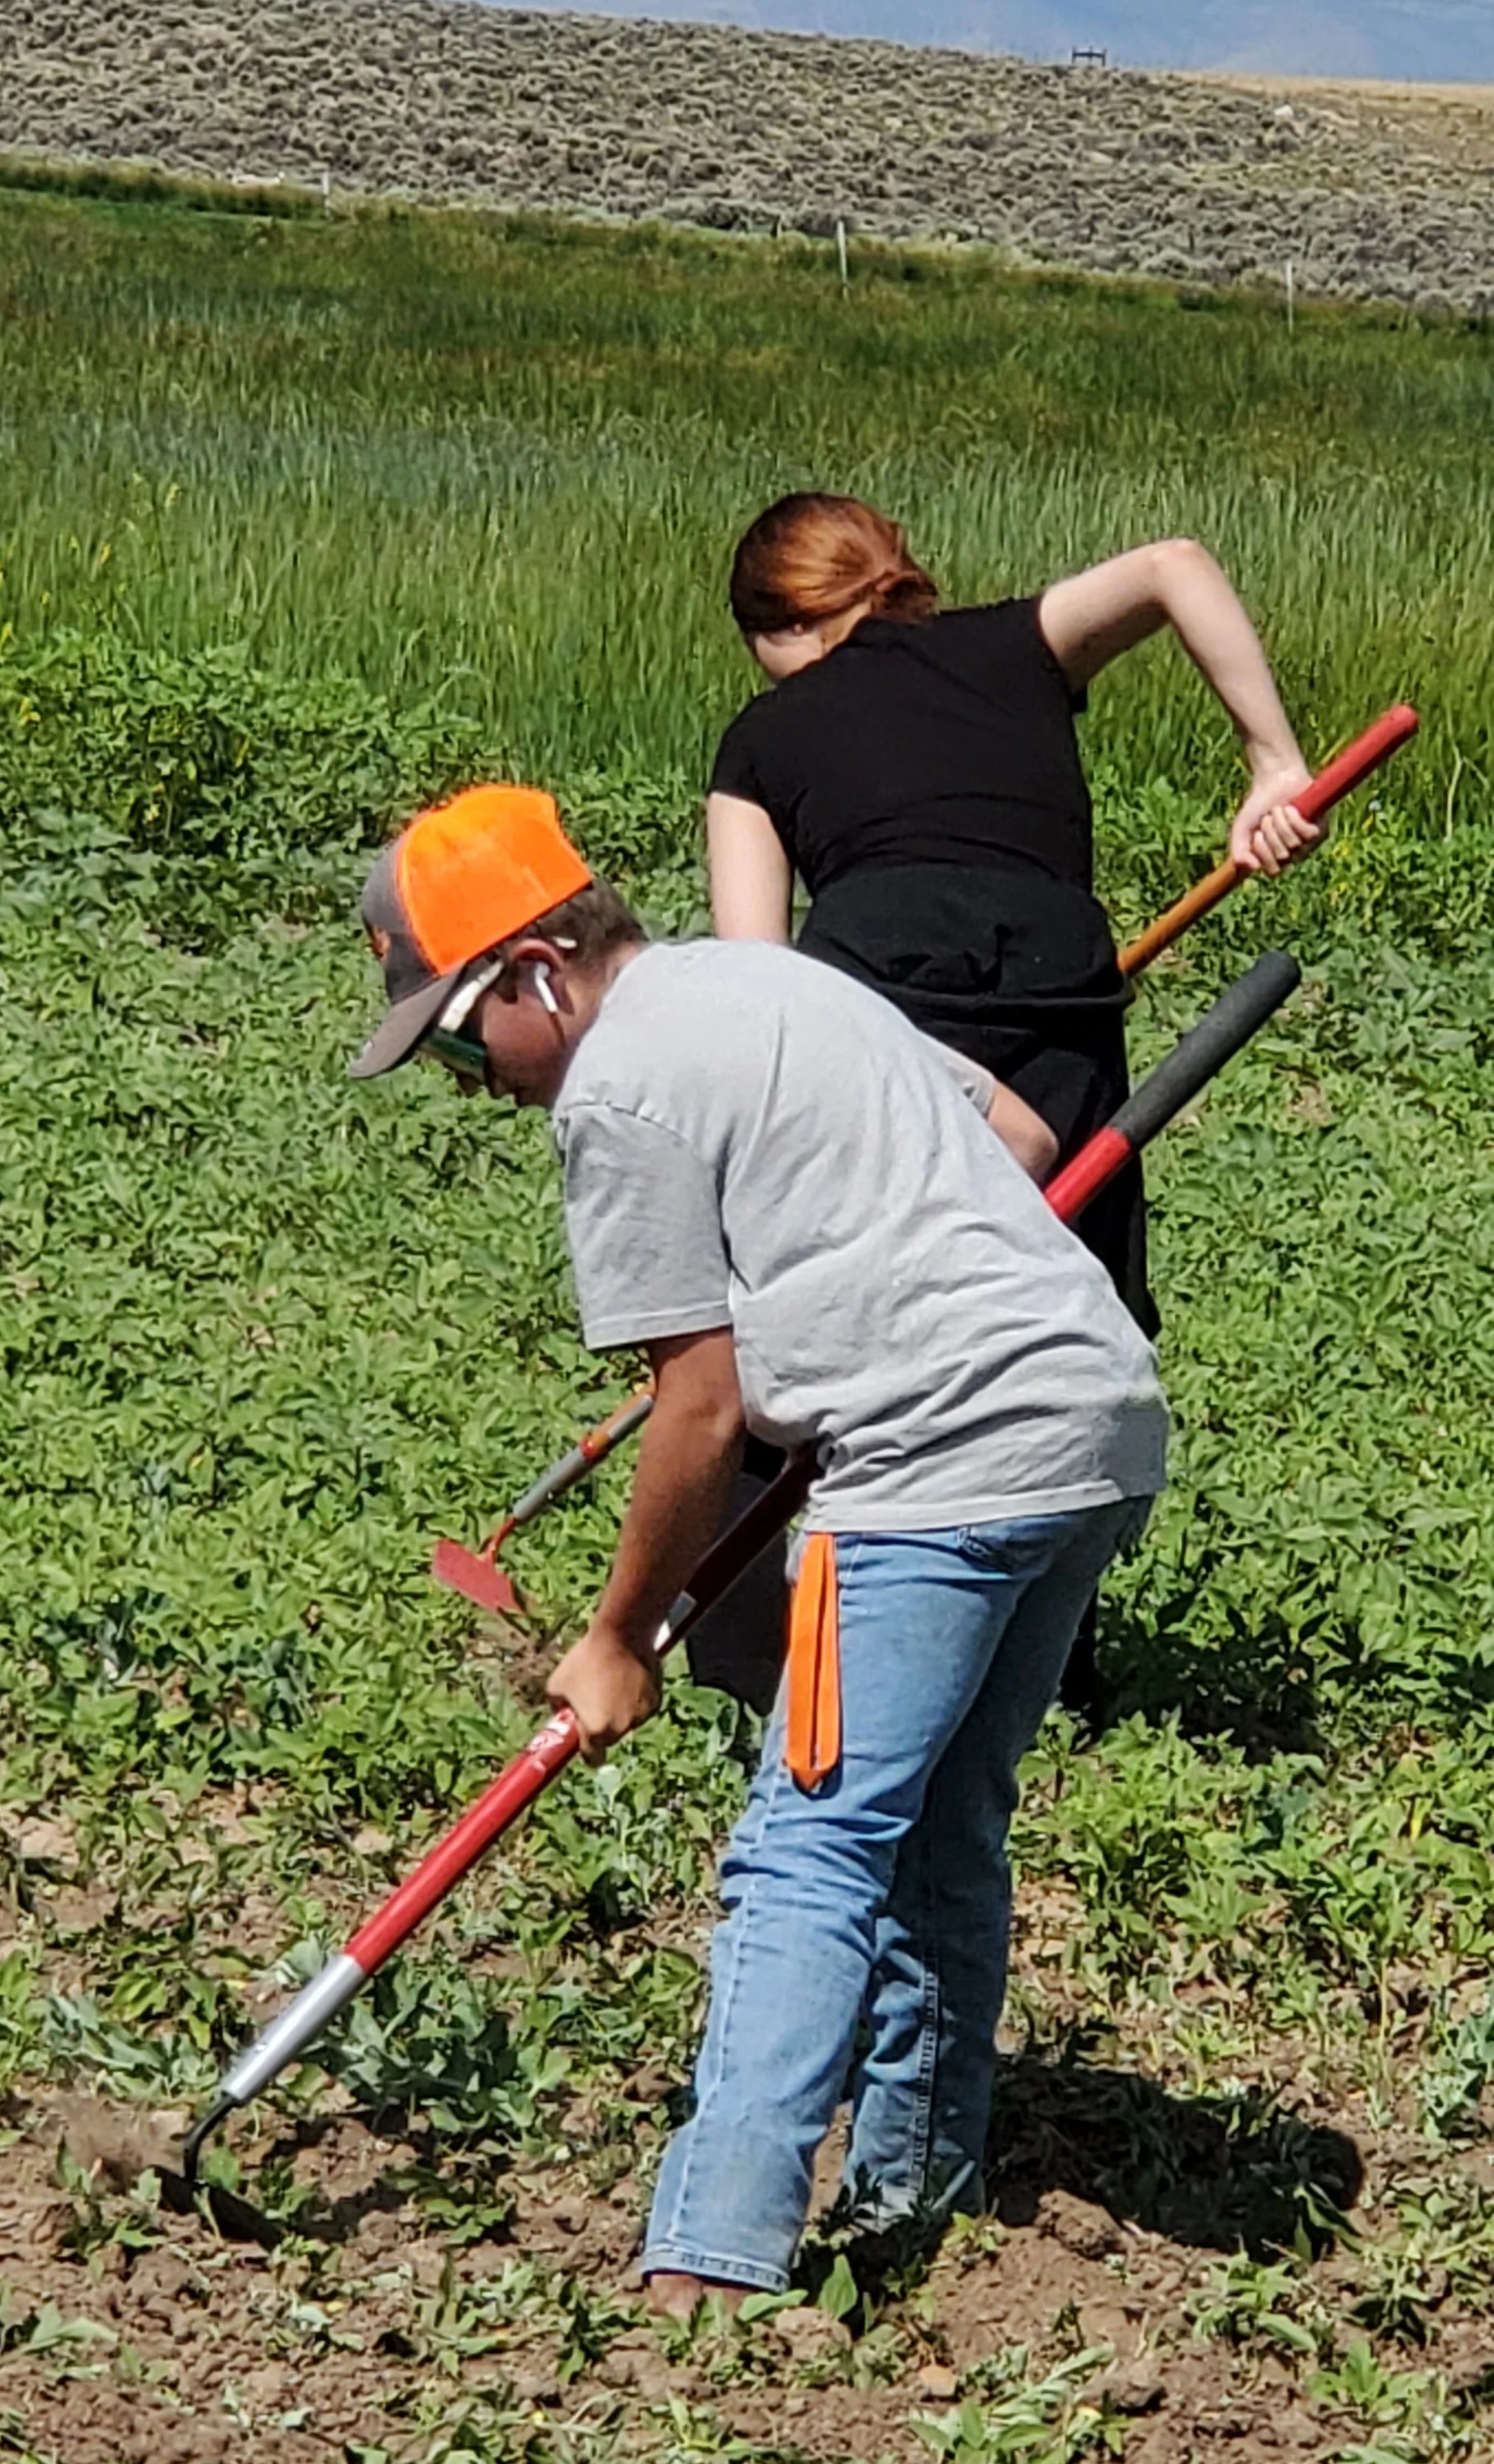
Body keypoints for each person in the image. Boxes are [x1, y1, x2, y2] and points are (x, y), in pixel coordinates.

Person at [351, 781, 1167, 2314]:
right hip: (1095, 1417)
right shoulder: (784, 979)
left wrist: (616, 1638)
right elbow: (1012, 1128)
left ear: (536, 971)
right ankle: (915, 2181)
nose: (470, 1081)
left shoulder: (620, 1089)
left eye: (461, 1037)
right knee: (936, 1832)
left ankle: (716, 2256)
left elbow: (700, 1407)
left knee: (809, 1845)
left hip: (941, 1462)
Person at [700, 493, 1322, 1715]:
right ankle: (1044, 1675)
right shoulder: (1013, 644)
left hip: (883, 1003)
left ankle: (749, 1672)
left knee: (808, 1321)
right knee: (1068, 1311)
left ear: (782, 628)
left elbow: (757, 987)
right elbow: (1175, 562)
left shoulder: (762, 740)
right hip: (1058, 998)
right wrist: (1274, 764)